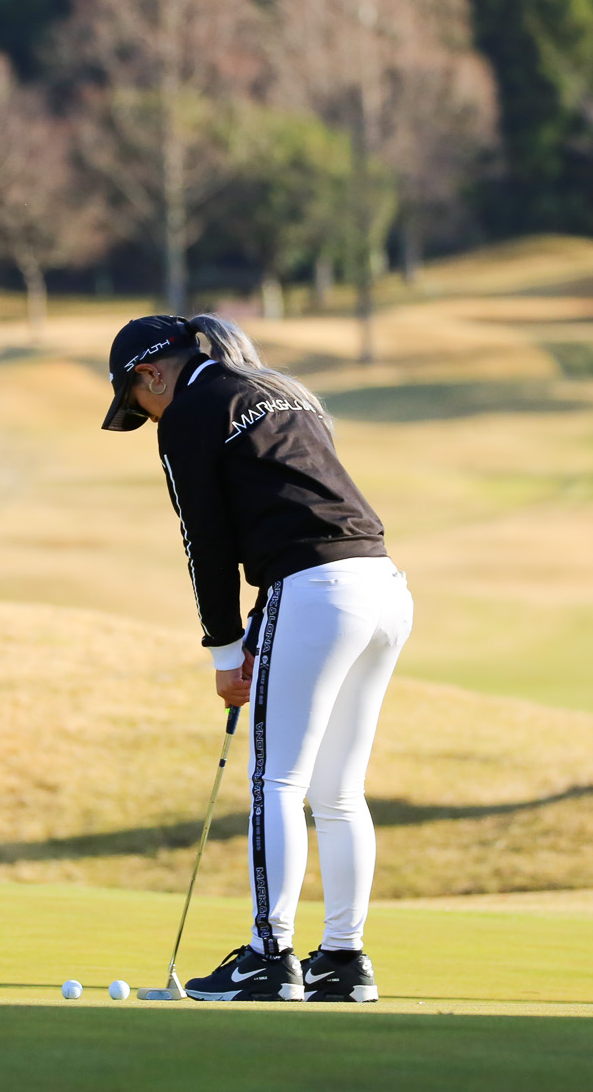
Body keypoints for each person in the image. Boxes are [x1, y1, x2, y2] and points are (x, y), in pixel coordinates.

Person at [101, 313, 412, 1002]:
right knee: (337, 789)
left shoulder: (188, 413)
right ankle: (343, 958)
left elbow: (203, 540)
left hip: (316, 590)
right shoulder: (284, 386)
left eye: (136, 405)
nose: (147, 418)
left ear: (150, 375)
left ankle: (270, 958)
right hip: (385, 585)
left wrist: (224, 649)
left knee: (277, 781)